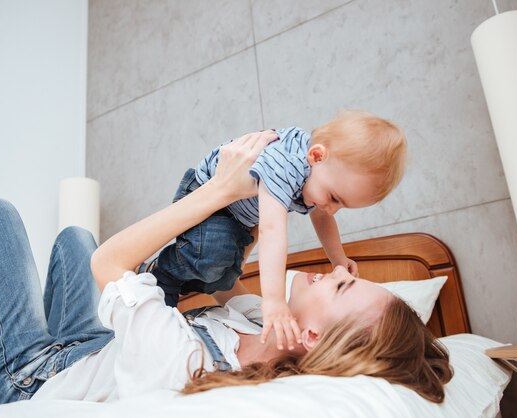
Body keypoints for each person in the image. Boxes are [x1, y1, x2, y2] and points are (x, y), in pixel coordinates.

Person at [0, 131, 450, 407]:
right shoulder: (265, 324)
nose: (339, 270)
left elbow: (107, 264)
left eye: (343, 288)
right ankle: (57, 340)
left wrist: (218, 190)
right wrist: (256, 202)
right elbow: (227, 275)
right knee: (73, 236)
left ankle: (18, 367)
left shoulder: (191, 364)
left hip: (33, 383)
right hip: (96, 346)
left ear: (314, 338)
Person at [146, 110, 408, 350]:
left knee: (223, 276)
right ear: (316, 156)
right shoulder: (287, 165)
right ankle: (161, 275)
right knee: (213, 255)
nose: (332, 208)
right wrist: (273, 300)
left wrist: (338, 258)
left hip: (236, 215)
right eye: (334, 197)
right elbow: (272, 230)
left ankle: (186, 272)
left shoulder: (317, 174)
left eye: (343, 205)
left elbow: (323, 218)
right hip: (207, 196)